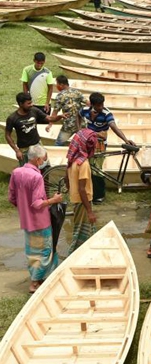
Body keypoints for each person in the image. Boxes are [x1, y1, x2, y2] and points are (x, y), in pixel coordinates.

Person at [9, 145, 62, 293]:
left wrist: (23, 208)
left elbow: (12, 197)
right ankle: (34, 282)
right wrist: (54, 200)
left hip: (26, 221)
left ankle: (38, 279)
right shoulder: (37, 177)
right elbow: (37, 203)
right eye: (43, 158)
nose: (44, 161)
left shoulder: (16, 172)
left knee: (32, 252)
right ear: (38, 159)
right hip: (40, 221)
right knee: (45, 251)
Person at [80, 92, 136, 204]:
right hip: (87, 142)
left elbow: (114, 127)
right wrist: (78, 129)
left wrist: (125, 140)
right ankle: (90, 190)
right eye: (98, 105)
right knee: (88, 166)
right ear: (92, 104)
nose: (100, 107)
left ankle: (99, 195)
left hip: (100, 144)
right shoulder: (85, 110)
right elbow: (78, 115)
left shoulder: (106, 113)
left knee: (97, 169)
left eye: (102, 104)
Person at [65, 128, 98, 254]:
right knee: (81, 232)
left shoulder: (72, 159)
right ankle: (76, 254)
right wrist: (89, 211)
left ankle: (84, 252)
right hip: (84, 202)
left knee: (83, 229)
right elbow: (82, 189)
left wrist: (70, 191)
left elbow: (66, 178)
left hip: (76, 200)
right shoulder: (83, 164)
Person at [5, 92, 49, 167]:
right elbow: (7, 135)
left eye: (31, 102)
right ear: (21, 104)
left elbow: (49, 118)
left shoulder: (34, 110)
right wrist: (17, 150)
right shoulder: (12, 118)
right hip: (24, 149)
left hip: (37, 144)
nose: (31, 104)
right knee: (27, 171)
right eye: (28, 103)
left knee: (45, 166)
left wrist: (59, 117)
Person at [48, 75, 85, 147]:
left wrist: (50, 124)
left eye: (57, 84)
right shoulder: (77, 92)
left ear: (61, 85)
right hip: (81, 123)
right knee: (83, 144)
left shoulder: (60, 96)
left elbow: (55, 112)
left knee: (58, 144)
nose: (56, 86)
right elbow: (88, 103)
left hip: (69, 125)